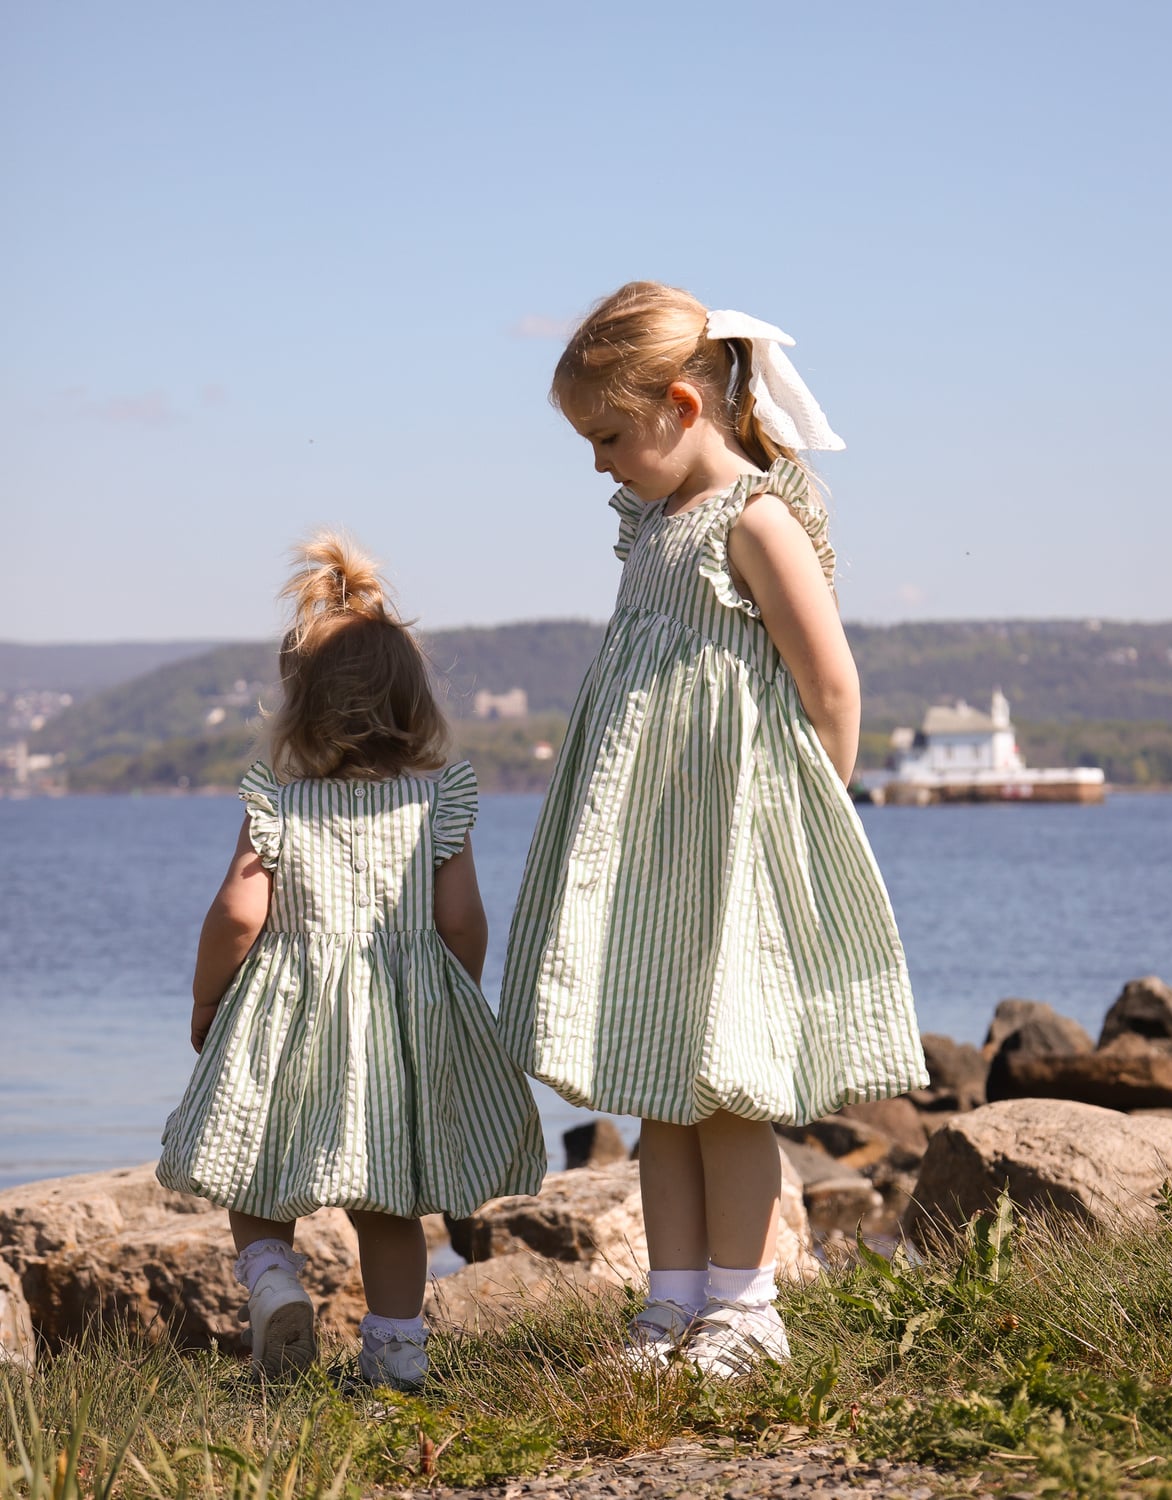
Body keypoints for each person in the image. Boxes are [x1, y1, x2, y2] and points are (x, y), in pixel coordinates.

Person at [498, 281, 927, 1378]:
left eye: (607, 435)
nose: (597, 462)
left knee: (727, 1077)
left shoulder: (756, 520)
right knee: (664, 1078)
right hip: (656, 850)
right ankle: (672, 1302)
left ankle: (746, 1308)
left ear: (684, 407)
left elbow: (830, 683)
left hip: (735, 846)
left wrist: (805, 820)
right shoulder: (653, 524)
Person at [158, 535, 545, 1388]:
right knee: (388, 1196)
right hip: (402, 1023)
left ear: (298, 710)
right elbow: (462, 919)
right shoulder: (438, 798)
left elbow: (237, 911)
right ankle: (397, 1350)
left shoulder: (277, 803)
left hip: (286, 1014)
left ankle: (270, 1277)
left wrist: (205, 1001)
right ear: (415, 704)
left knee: (256, 1163)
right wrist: (457, 992)